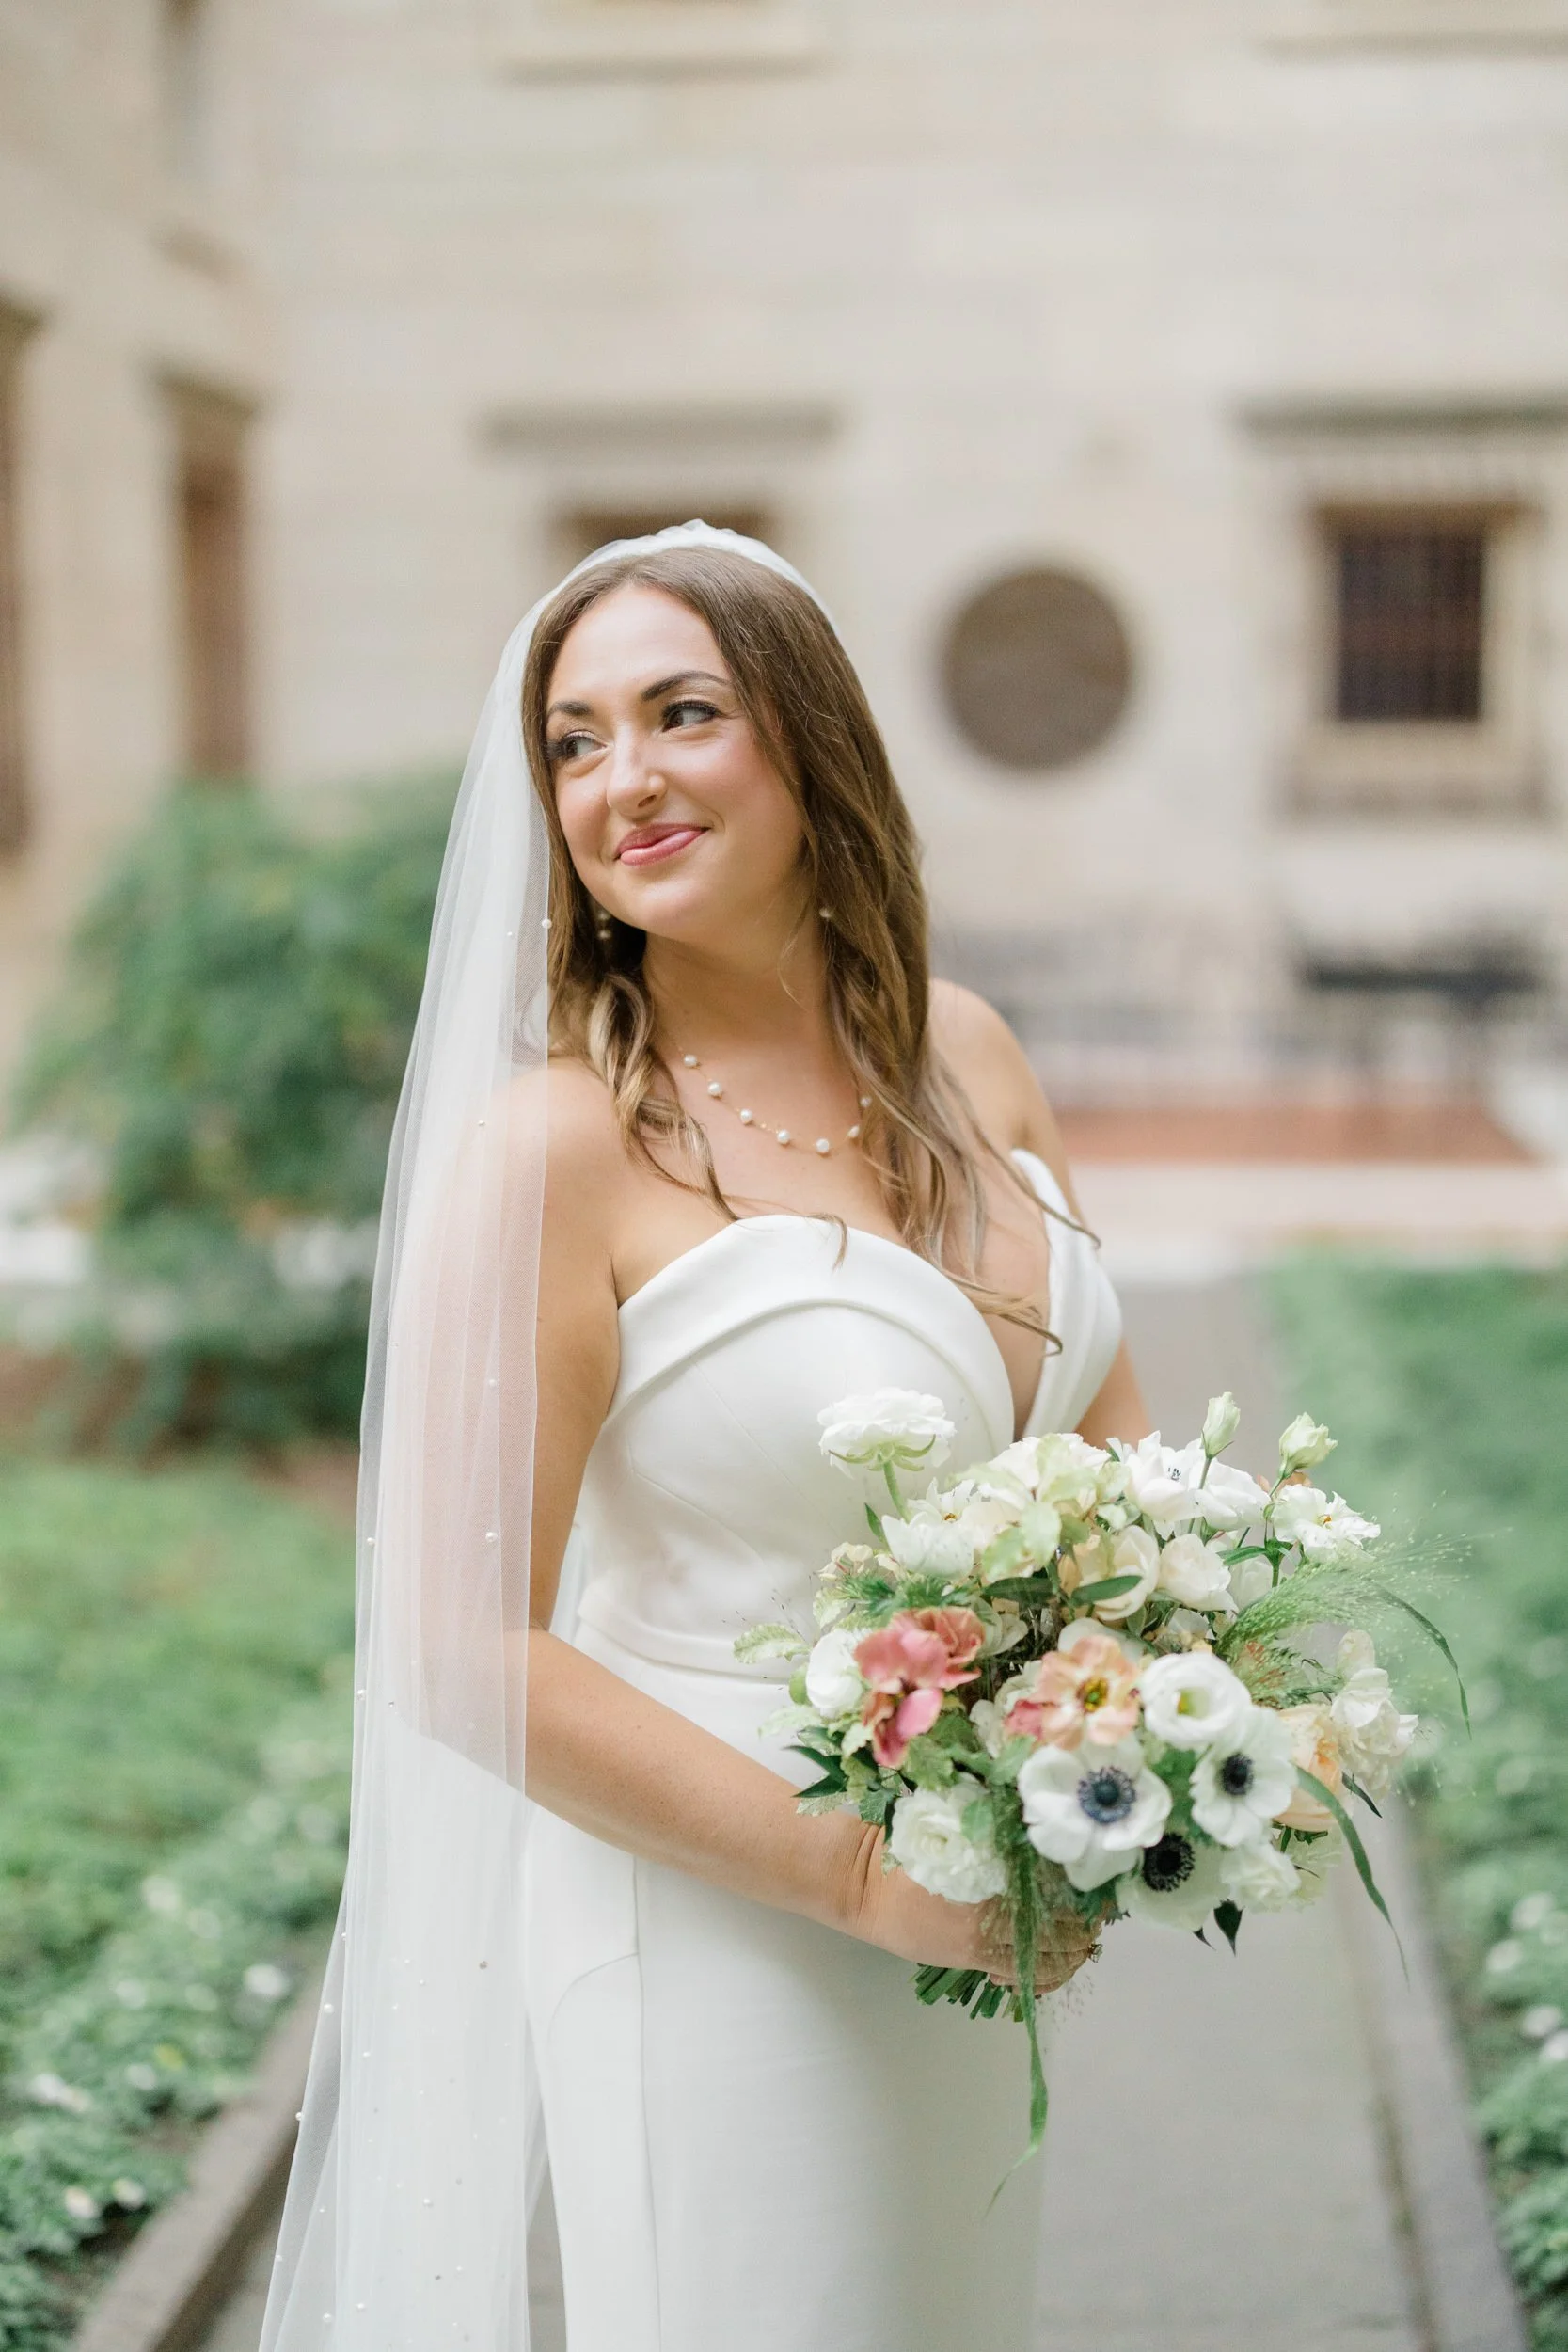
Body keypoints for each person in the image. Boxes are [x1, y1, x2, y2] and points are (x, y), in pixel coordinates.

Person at [261, 524, 1148, 2352]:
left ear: (810, 742)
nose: (622, 778)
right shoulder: (557, 1146)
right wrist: (855, 1874)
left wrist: (1151, 1734)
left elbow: (1114, 1474)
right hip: (722, 1923)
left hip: (979, 1908)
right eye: (574, 739)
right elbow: (456, 1647)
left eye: (681, 712)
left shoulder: (966, 1054)